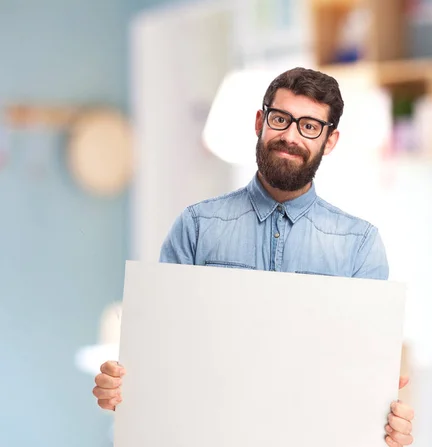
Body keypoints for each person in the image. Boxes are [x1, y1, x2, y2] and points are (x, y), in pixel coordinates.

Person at [93, 67, 414, 447]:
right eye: (281, 119)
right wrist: (121, 389)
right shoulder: (197, 226)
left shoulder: (359, 244)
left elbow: (363, 381)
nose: (291, 136)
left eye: (310, 126)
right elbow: (160, 359)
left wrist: (388, 426)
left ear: (329, 141)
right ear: (261, 121)